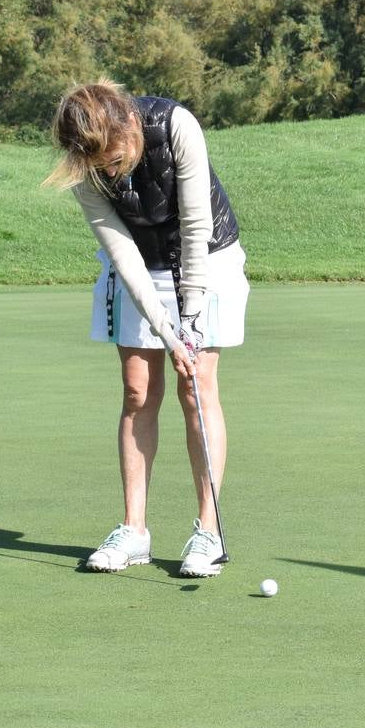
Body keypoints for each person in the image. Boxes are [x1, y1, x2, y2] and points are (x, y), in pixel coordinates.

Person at [46, 81, 248, 578]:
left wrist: (191, 321)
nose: (109, 172)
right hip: (141, 269)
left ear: (128, 126)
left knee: (195, 383)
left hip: (207, 257)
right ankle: (134, 531)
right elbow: (122, 253)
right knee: (138, 391)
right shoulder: (83, 165)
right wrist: (165, 328)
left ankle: (208, 531)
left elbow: (196, 225)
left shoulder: (175, 125)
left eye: (113, 159)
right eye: (98, 166)